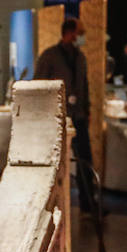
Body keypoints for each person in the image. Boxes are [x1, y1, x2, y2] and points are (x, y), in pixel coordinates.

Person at [34, 17, 95, 212]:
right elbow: (39, 85)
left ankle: (88, 204)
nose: (82, 38)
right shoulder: (49, 56)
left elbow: (84, 85)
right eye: (81, 33)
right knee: (54, 162)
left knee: (85, 159)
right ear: (70, 33)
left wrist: (87, 110)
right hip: (56, 118)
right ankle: (48, 205)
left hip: (78, 117)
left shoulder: (81, 57)